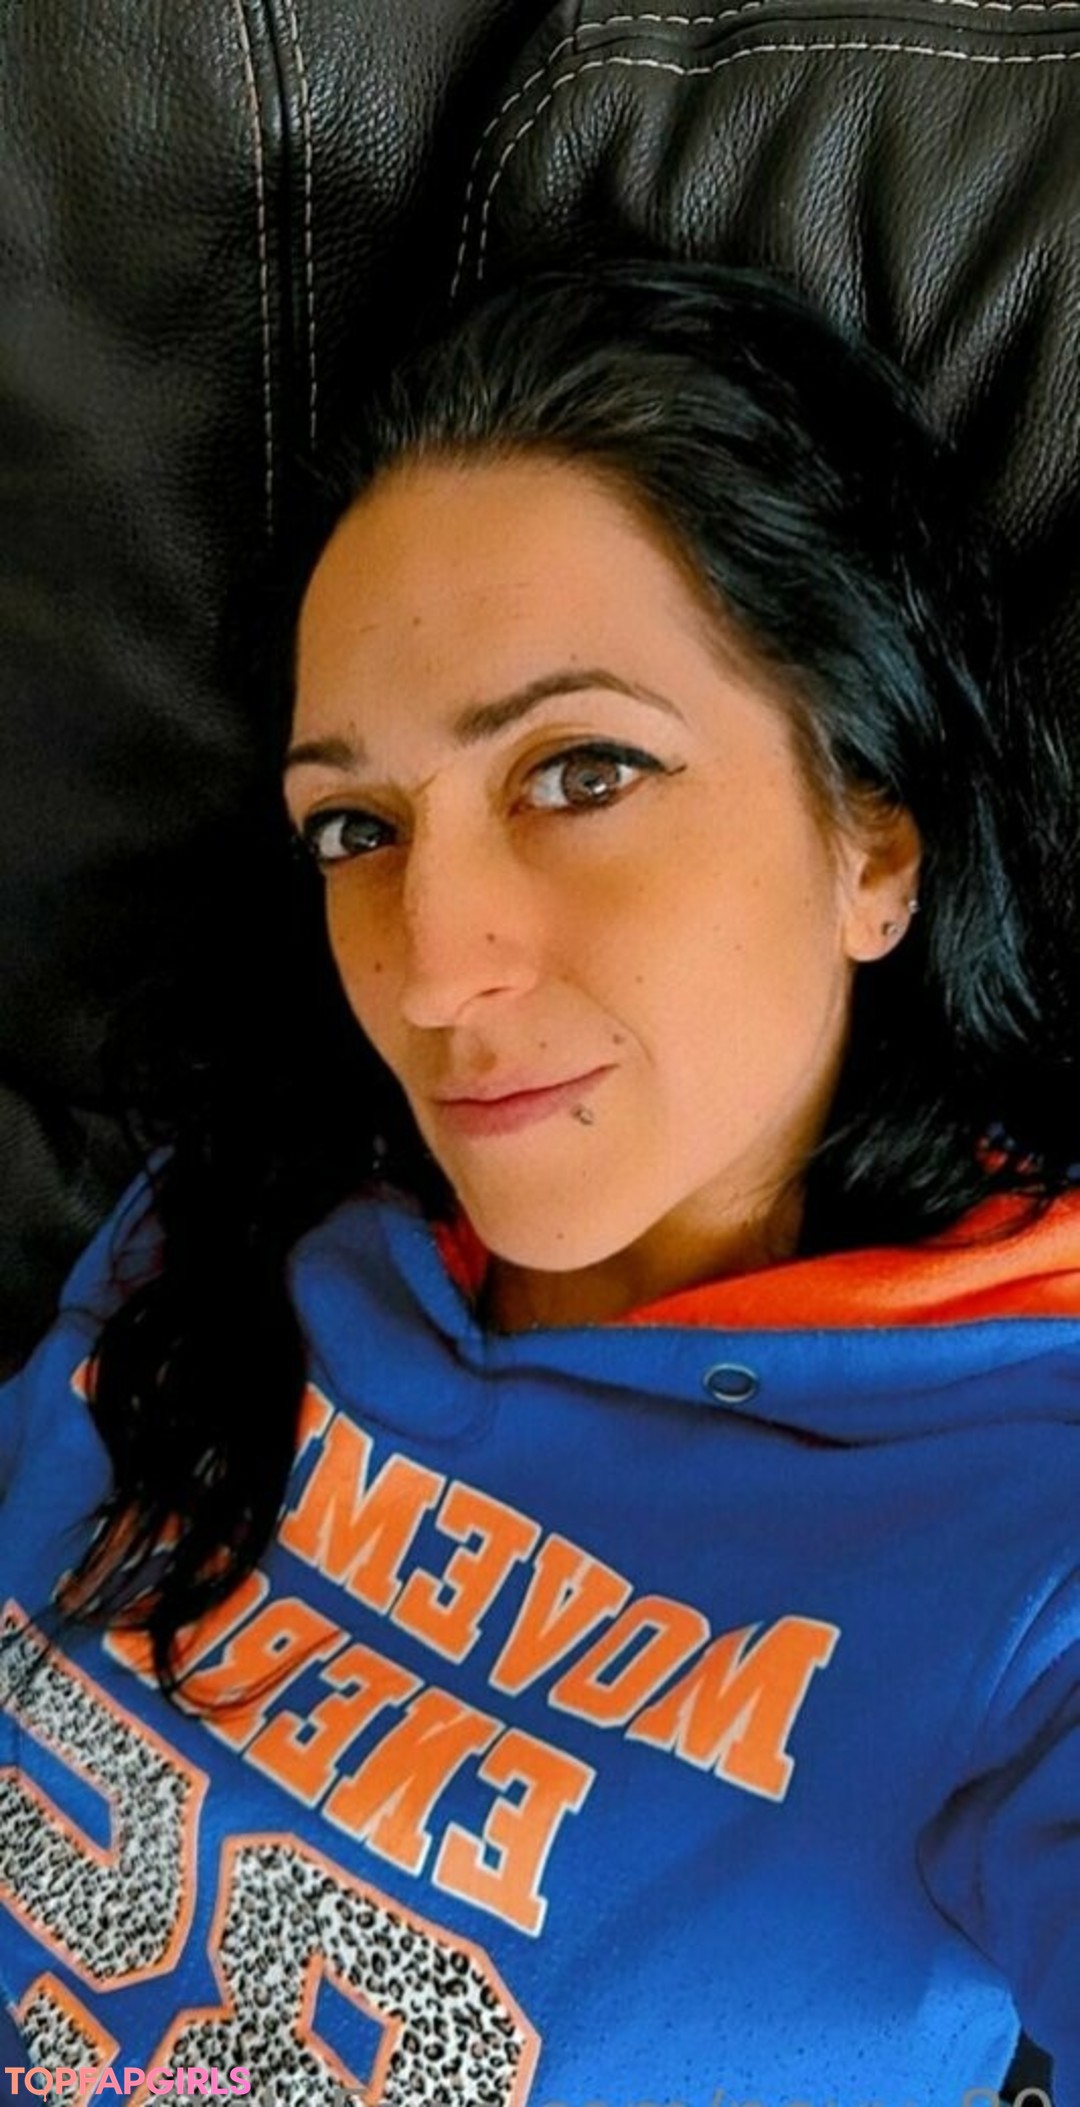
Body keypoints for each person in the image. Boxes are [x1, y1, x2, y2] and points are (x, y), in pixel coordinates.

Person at [1, 258, 1078, 2107]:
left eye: (582, 773)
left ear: (873, 838)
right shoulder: (236, 1211)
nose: (431, 971)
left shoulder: (1029, 1520)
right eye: (358, 826)